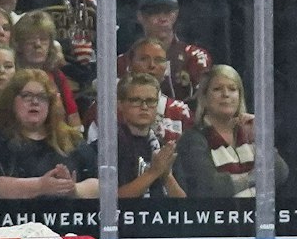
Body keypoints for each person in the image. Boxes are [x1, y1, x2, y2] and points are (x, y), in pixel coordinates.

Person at [175, 63, 285, 198]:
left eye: (232, 89)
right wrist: (254, 178)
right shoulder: (193, 139)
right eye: (217, 89)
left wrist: (261, 139)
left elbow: (280, 173)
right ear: (204, 98)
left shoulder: (248, 131)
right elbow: (210, 187)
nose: (226, 94)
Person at [69, 71, 180, 198]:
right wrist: (153, 172)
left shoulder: (162, 146)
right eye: (135, 100)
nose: (144, 106)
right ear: (120, 104)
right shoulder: (107, 148)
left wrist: (167, 176)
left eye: (150, 101)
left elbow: (185, 208)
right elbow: (110, 202)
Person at [0, 67, 78, 197]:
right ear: (11, 101)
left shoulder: (70, 138)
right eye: (27, 96)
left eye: (41, 97)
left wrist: (72, 188)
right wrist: (40, 186)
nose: (35, 102)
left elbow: (98, 184)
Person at [128, 0, 207, 103]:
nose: (163, 18)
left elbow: (206, 103)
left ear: (176, 14)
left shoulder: (195, 57)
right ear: (140, 16)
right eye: (155, 12)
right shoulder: (126, 61)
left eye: (168, 11)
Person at [10, 10, 79, 134]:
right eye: (30, 39)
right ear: (19, 45)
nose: (37, 44)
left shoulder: (58, 77)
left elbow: (73, 117)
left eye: (43, 39)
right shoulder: (11, 78)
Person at [122, 35, 188, 141]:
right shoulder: (106, 110)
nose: (152, 65)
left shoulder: (181, 112)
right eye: (143, 59)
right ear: (129, 64)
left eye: (159, 60)